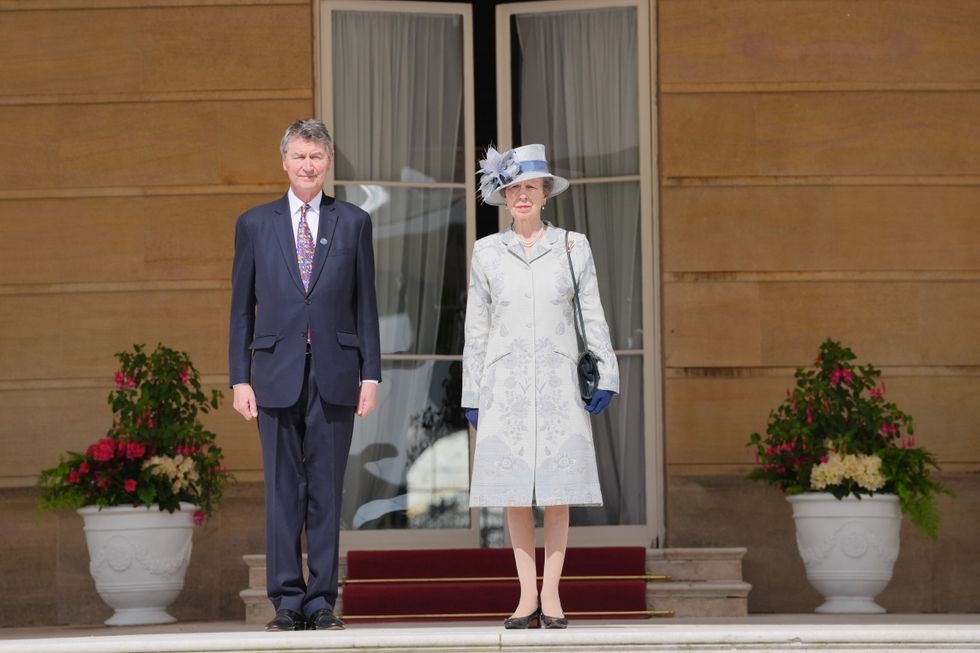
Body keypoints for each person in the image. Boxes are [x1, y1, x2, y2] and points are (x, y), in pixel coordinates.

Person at [228, 119, 381, 632]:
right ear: (284, 162)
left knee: (325, 490)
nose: (308, 165)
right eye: (299, 156)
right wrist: (239, 378)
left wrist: (371, 375)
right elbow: (241, 310)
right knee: (282, 491)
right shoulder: (254, 224)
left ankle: (320, 602)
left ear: (328, 162)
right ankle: (287, 601)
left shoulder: (354, 222)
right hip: (272, 373)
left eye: (316, 156)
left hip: (337, 373)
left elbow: (366, 306)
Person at [462, 144, 619, 629]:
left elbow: (592, 314)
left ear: (546, 194)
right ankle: (524, 595)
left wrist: (607, 374)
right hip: (504, 383)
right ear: (504, 197)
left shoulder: (574, 246)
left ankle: (551, 595)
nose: (522, 196)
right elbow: (477, 327)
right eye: (514, 188)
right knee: (513, 493)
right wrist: (472, 393)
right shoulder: (487, 251)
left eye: (531, 187)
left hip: (557, 380)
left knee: (557, 491)